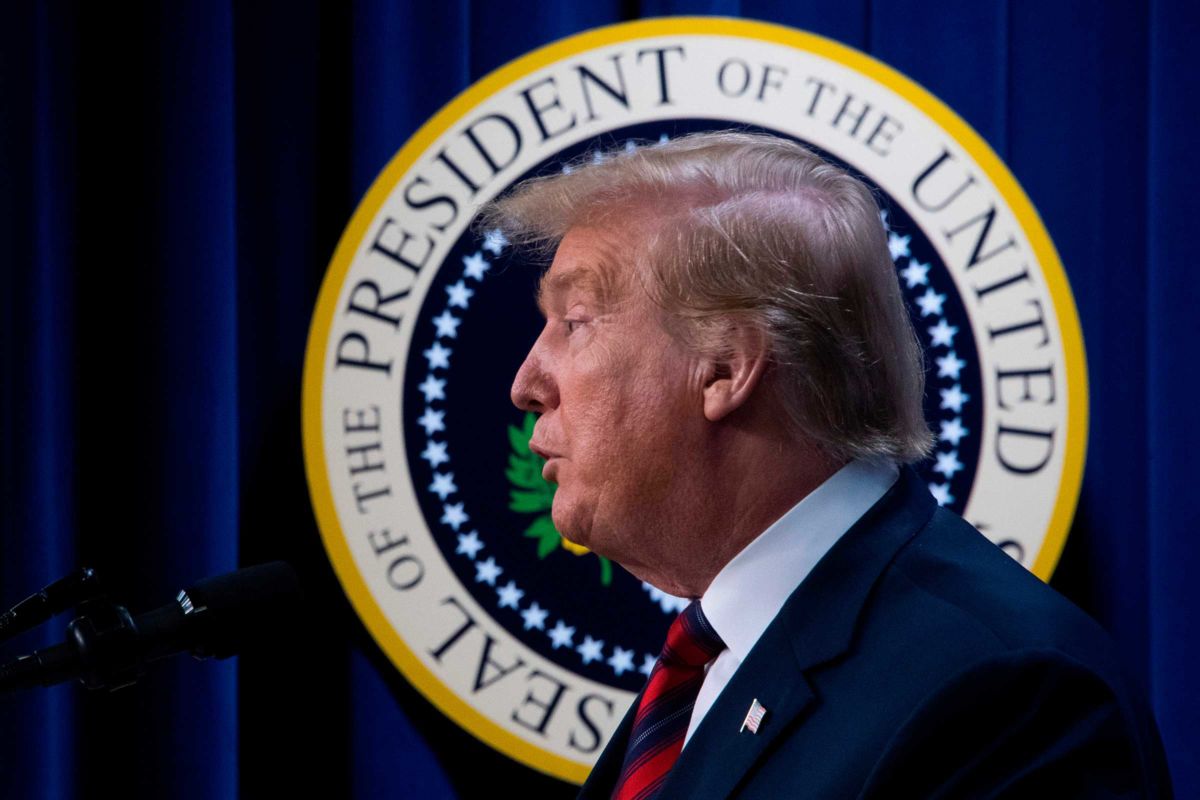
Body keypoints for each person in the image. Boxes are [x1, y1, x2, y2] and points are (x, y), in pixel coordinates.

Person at [482, 131, 1172, 799]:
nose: (526, 381)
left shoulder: (1008, 696)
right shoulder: (711, 663)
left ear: (725, 365)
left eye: (574, 322)